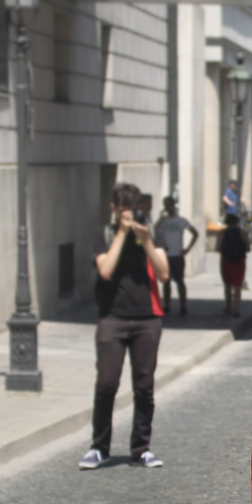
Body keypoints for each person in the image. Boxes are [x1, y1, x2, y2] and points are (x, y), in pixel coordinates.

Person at [79, 183, 171, 470]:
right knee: (106, 383)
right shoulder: (105, 234)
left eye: (135, 212)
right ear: (114, 211)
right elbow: (105, 270)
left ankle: (141, 449)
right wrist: (121, 232)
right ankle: (99, 447)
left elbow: (164, 273)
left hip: (147, 320)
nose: (131, 218)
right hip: (112, 319)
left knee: (144, 387)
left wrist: (144, 240)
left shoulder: (152, 232)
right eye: (125, 213)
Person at [154, 197, 199, 315]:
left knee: (180, 281)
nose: (168, 207)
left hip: (177, 255)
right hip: (165, 256)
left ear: (174, 205)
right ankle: (167, 304)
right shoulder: (163, 221)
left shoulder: (181, 221)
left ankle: (183, 305)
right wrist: (160, 219)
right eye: (166, 205)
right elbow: (154, 232)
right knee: (166, 282)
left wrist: (187, 249)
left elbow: (195, 233)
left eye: (170, 205)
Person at [218, 213, 250, 317]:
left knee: (227, 285)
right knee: (237, 286)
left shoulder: (222, 233)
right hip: (239, 261)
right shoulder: (242, 232)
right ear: (237, 222)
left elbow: (218, 248)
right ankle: (236, 309)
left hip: (226, 260)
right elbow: (248, 248)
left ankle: (228, 307)